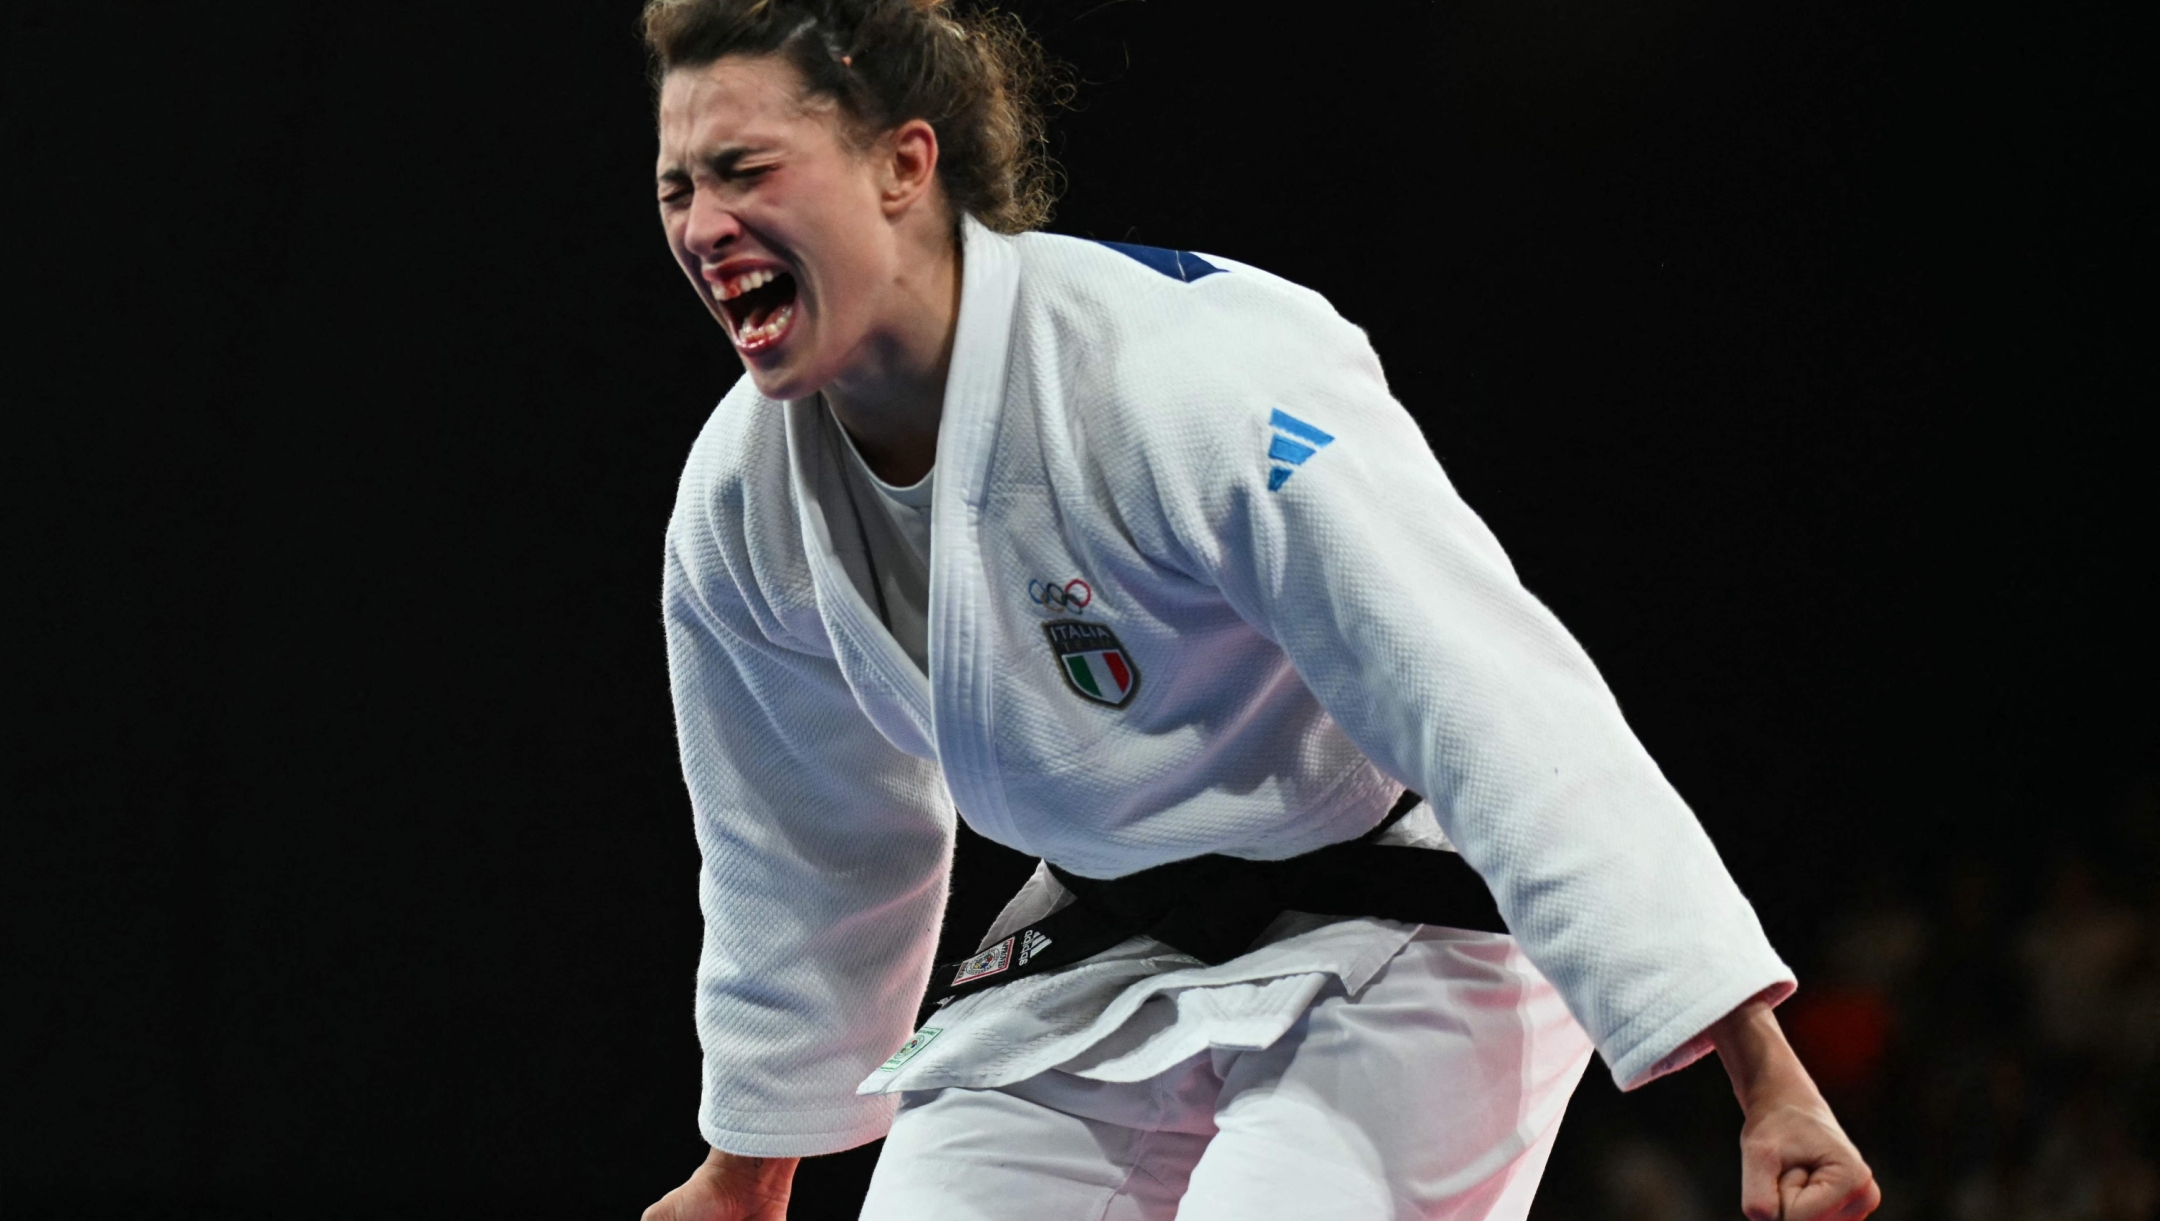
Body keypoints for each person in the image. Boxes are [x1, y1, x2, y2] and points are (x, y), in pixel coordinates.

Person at [636, 1, 1881, 1217]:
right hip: (1107, 941)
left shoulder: (1185, 380)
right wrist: (749, 1171)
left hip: (1408, 924)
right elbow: (801, 841)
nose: (703, 224)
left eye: (743, 170)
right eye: (676, 187)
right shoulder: (742, 500)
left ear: (905, 163)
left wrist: (1759, 1069)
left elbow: (1482, 697)